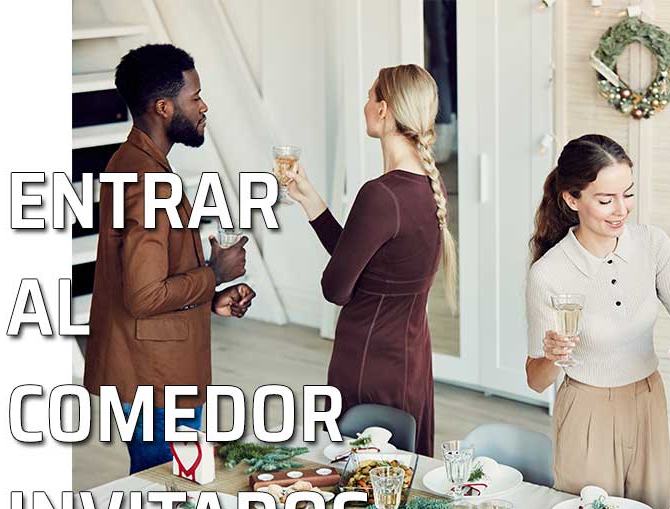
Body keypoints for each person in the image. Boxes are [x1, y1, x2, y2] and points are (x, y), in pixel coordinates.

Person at [524, 134, 670, 509]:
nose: (621, 210)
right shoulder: (549, 273)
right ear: (572, 200)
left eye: (628, 194)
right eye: (606, 200)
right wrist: (552, 355)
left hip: (647, 401)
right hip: (586, 408)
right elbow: (536, 380)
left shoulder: (653, 244)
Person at [84, 44, 256, 475]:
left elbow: (145, 282)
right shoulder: (147, 181)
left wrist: (209, 297)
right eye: (194, 97)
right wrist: (214, 272)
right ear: (164, 107)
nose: (203, 106)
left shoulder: (134, 163)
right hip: (156, 381)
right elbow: (144, 295)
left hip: (145, 370)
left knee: (158, 495)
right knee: (164, 504)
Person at [282, 64, 457, 457]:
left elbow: (336, 288)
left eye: (369, 96)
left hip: (366, 358)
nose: (364, 105)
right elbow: (373, 263)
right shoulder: (431, 185)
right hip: (410, 357)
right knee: (400, 475)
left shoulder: (381, 194)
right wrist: (311, 200)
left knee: (358, 474)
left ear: (383, 110)